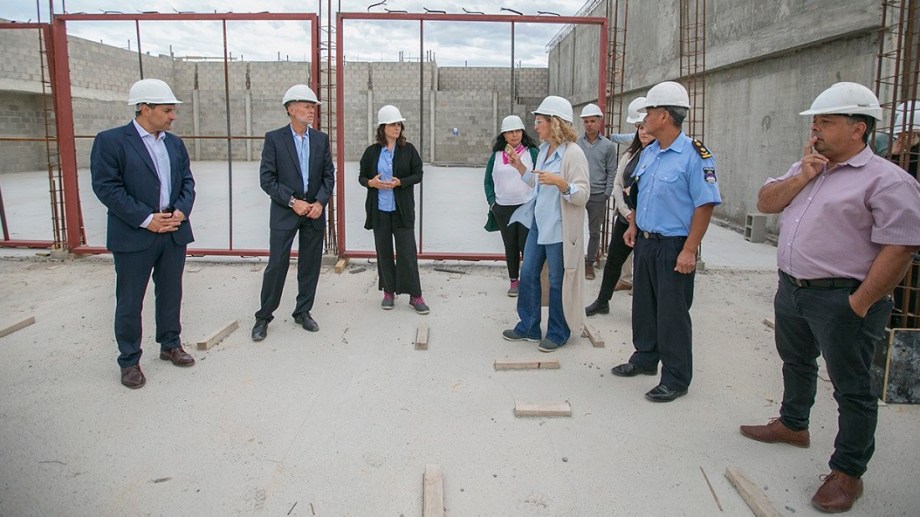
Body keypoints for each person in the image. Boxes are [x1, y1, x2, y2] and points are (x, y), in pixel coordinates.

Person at [739, 82, 920, 513]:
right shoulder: (807, 167)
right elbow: (766, 202)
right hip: (793, 289)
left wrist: (860, 303)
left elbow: (900, 247)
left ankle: (847, 472)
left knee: (852, 387)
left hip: (843, 298)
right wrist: (803, 175)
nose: (815, 129)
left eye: (826, 121)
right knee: (796, 360)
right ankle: (793, 424)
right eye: (815, 121)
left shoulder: (888, 180)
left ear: (858, 129)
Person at [611, 81, 721, 402]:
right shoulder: (650, 152)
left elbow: (705, 205)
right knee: (644, 306)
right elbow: (641, 193)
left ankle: (675, 377)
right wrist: (634, 225)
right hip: (645, 242)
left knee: (672, 313)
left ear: (664, 116)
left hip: (674, 245)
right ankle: (645, 357)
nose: (644, 118)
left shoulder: (694, 156)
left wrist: (689, 250)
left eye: (649, 112)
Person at [90, 78, 196, 389]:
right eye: (167, 110)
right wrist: (146, 219)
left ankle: (170, 344)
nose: (173, 116)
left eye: (173, 110)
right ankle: (129, 360)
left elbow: (187, 182)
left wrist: (181, 210)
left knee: (171, 292)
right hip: (135, 235)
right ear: (145, 109)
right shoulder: (111, 141)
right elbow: (107, 188)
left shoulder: (174, 144)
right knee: (130, 300)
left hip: (173, 231)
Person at [501, 95, 590, 352]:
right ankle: (528, 326)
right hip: (539, 224)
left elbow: (583, 194)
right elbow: (538, 183)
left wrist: (561, 183)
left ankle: (558, 332)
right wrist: (520, 167)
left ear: (555, 122)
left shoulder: (573, 154)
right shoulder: (543, 150)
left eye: (540, 121)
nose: (535, 126)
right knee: (528, 273)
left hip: (560, 228)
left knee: (556, 280)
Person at [251, 84, 335, 341]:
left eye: (313, 107)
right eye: (307, 106)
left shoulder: (320, 139)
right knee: (277, 264)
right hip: (285, 211)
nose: (312, 111)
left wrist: (320, 202)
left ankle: (303, 311)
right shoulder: (274, 139)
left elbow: (328, 176)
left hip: (313, 212)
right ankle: (264, 316)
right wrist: (291, 201)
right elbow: (267, 179)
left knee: (310, 264)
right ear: (290, 109)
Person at [585, 97, 653, 316]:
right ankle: (602, 301)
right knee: (614, 260)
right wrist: (626, 212)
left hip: (648, 223)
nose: (643, 132)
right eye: (639, 127)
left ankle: (643, 311)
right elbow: (618, 184)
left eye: (646, 127)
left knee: (643, 267)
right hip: (627, 220)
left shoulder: (659, 156)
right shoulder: (631, 154)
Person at [358, 105, 429, 314]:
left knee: (407, 252)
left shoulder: (409, 150)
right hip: (379, 211)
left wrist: (401, 182)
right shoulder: (372, 152)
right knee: (384, 252)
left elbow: (418, 174)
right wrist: (371, 183)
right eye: (392, 124)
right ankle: (388, 292)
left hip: (402, 210)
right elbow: (362, 177)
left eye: (399, 124)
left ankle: (415, 295)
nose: (397, 128)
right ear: (383, 128)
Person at [483, 115, 539, 296]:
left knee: (527, 246)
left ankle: (528, 281)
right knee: (510, 245)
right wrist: (492, 203)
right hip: (503, 208)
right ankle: (514, 281)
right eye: (510, 132)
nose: (514, 135)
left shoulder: (532, 153)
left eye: (517, 131)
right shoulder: (497, 156)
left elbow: (539, 179)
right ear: (504, 135)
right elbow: (488, 181)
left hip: (526, 207)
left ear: (522, 132)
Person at [576, 103, 618, 280]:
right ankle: (575, 261)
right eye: (586, 121)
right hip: (578, 193)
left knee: (594, 231)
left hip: (598, 195)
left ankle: (589, 263)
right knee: (574, 229)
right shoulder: (576, 144)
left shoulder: (608, 146)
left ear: (599, 122)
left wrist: (606, 193)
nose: (589, 124)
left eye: (592, 121)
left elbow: (612, 170)